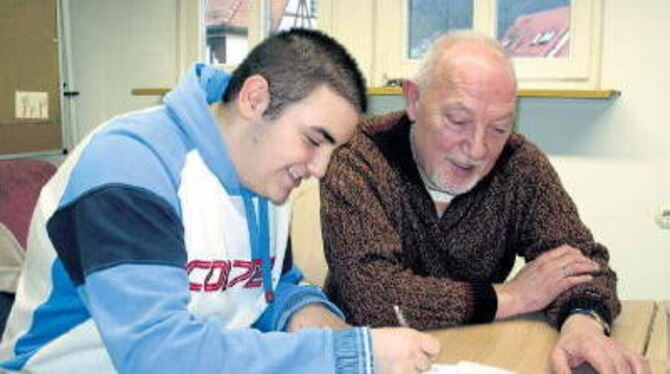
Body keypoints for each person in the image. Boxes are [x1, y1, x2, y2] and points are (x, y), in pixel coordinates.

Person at [0, 29, 439, 374]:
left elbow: (271, 288)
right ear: (255, 98)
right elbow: (160, 356)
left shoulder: (264, 173)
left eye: (333, 151)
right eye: (313, 140)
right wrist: (345, 356)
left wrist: (342, 337)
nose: (321, 170)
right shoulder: (129, 165)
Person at [321, 31, 648, 374]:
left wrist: (582, 324)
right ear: (413, 99)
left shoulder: (520, 165)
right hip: (366, 358)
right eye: (458, 121)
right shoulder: (357, 155)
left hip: (480, 353)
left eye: (498, 128)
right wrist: (513, 297)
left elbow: (582, 263)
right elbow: (372, 296)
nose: (477, 150)